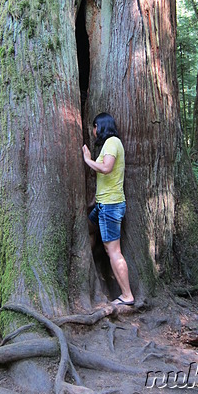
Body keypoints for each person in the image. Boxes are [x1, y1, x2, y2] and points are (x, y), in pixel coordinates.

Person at [82, 112, 134, 306]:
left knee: (114, 251)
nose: (94, 132)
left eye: (94, 127)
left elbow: (106, 168)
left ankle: (127, 295)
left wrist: (88, 160)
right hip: (103, 204)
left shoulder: (112, 142)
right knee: (88, 227)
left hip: (111, 206)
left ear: (99, 126)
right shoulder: (110, 143)